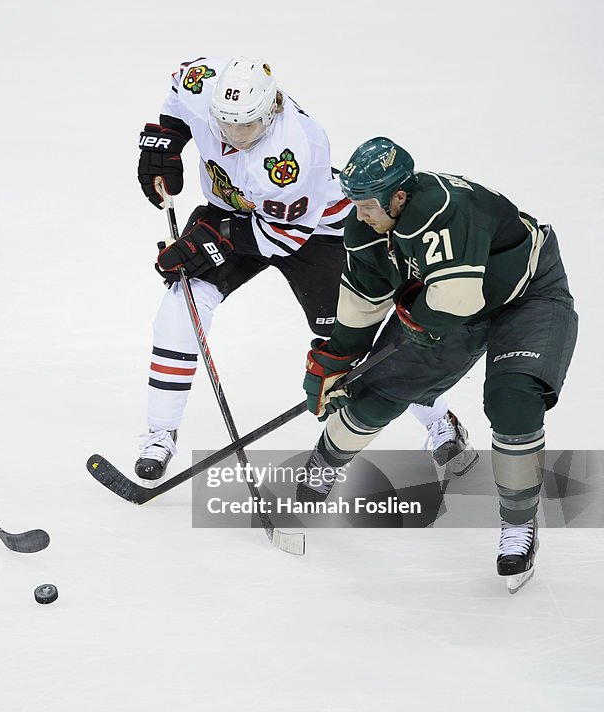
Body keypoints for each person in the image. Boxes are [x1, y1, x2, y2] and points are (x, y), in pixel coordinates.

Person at [133, 56, 475, 481]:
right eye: (226, 125)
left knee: (349, 346)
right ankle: (159, 434)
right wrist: (168, 136)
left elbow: (282, 238)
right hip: (230, 214)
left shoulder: (293, 154)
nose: (235, 137)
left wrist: (212, 239)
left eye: (247, 127)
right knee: (178, 313)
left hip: (315, 233)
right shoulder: (201, 83)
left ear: (272, 108)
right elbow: (177, 99)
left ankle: (438, 419)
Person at [301, 136, 578, 592]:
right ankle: (322, 466)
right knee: (373, 392)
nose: (359, 214)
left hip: (526, 297)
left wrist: (417, 316)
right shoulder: (366, 227)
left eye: (367, 204)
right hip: (445, 307)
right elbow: (362, 304)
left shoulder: (440, 209)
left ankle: (518, 525)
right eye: (355, 204)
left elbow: (457, 298)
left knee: (514, 401)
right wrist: (334, 361)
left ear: (400, 196)